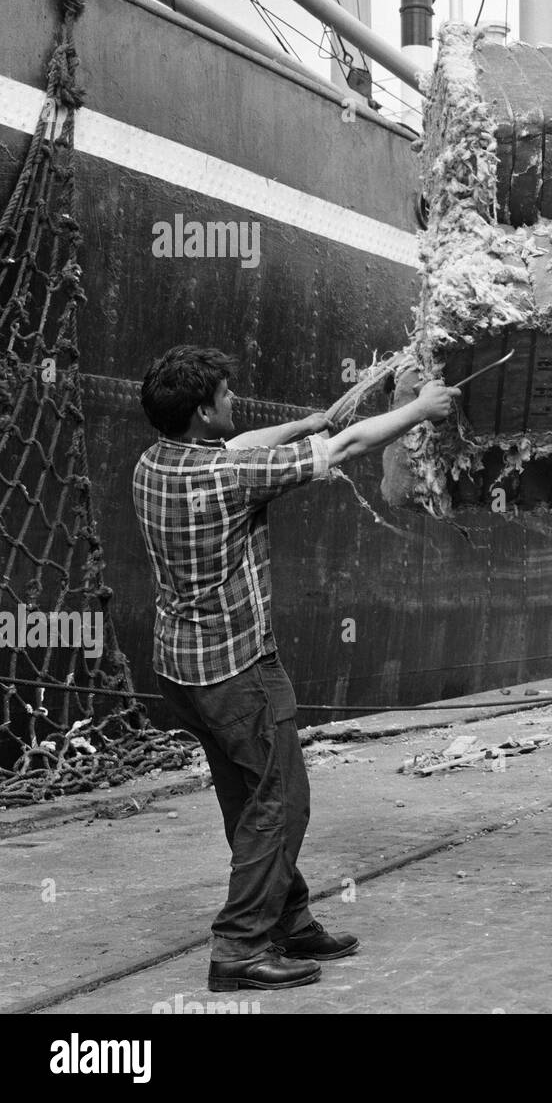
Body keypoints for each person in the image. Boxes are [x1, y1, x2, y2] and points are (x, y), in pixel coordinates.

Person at [133, 346, 458, 992]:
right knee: (281, 803)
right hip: (236, 669)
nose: (235, 403)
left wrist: (302, 423)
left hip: (182, 670)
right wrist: (421, 407)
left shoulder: (154, 464)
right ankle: (240, 949)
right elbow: (345, 450)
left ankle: (287, 917)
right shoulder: (229, 480)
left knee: (246, 797)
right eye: (225, 397)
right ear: (202, 412)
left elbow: (242, 444)